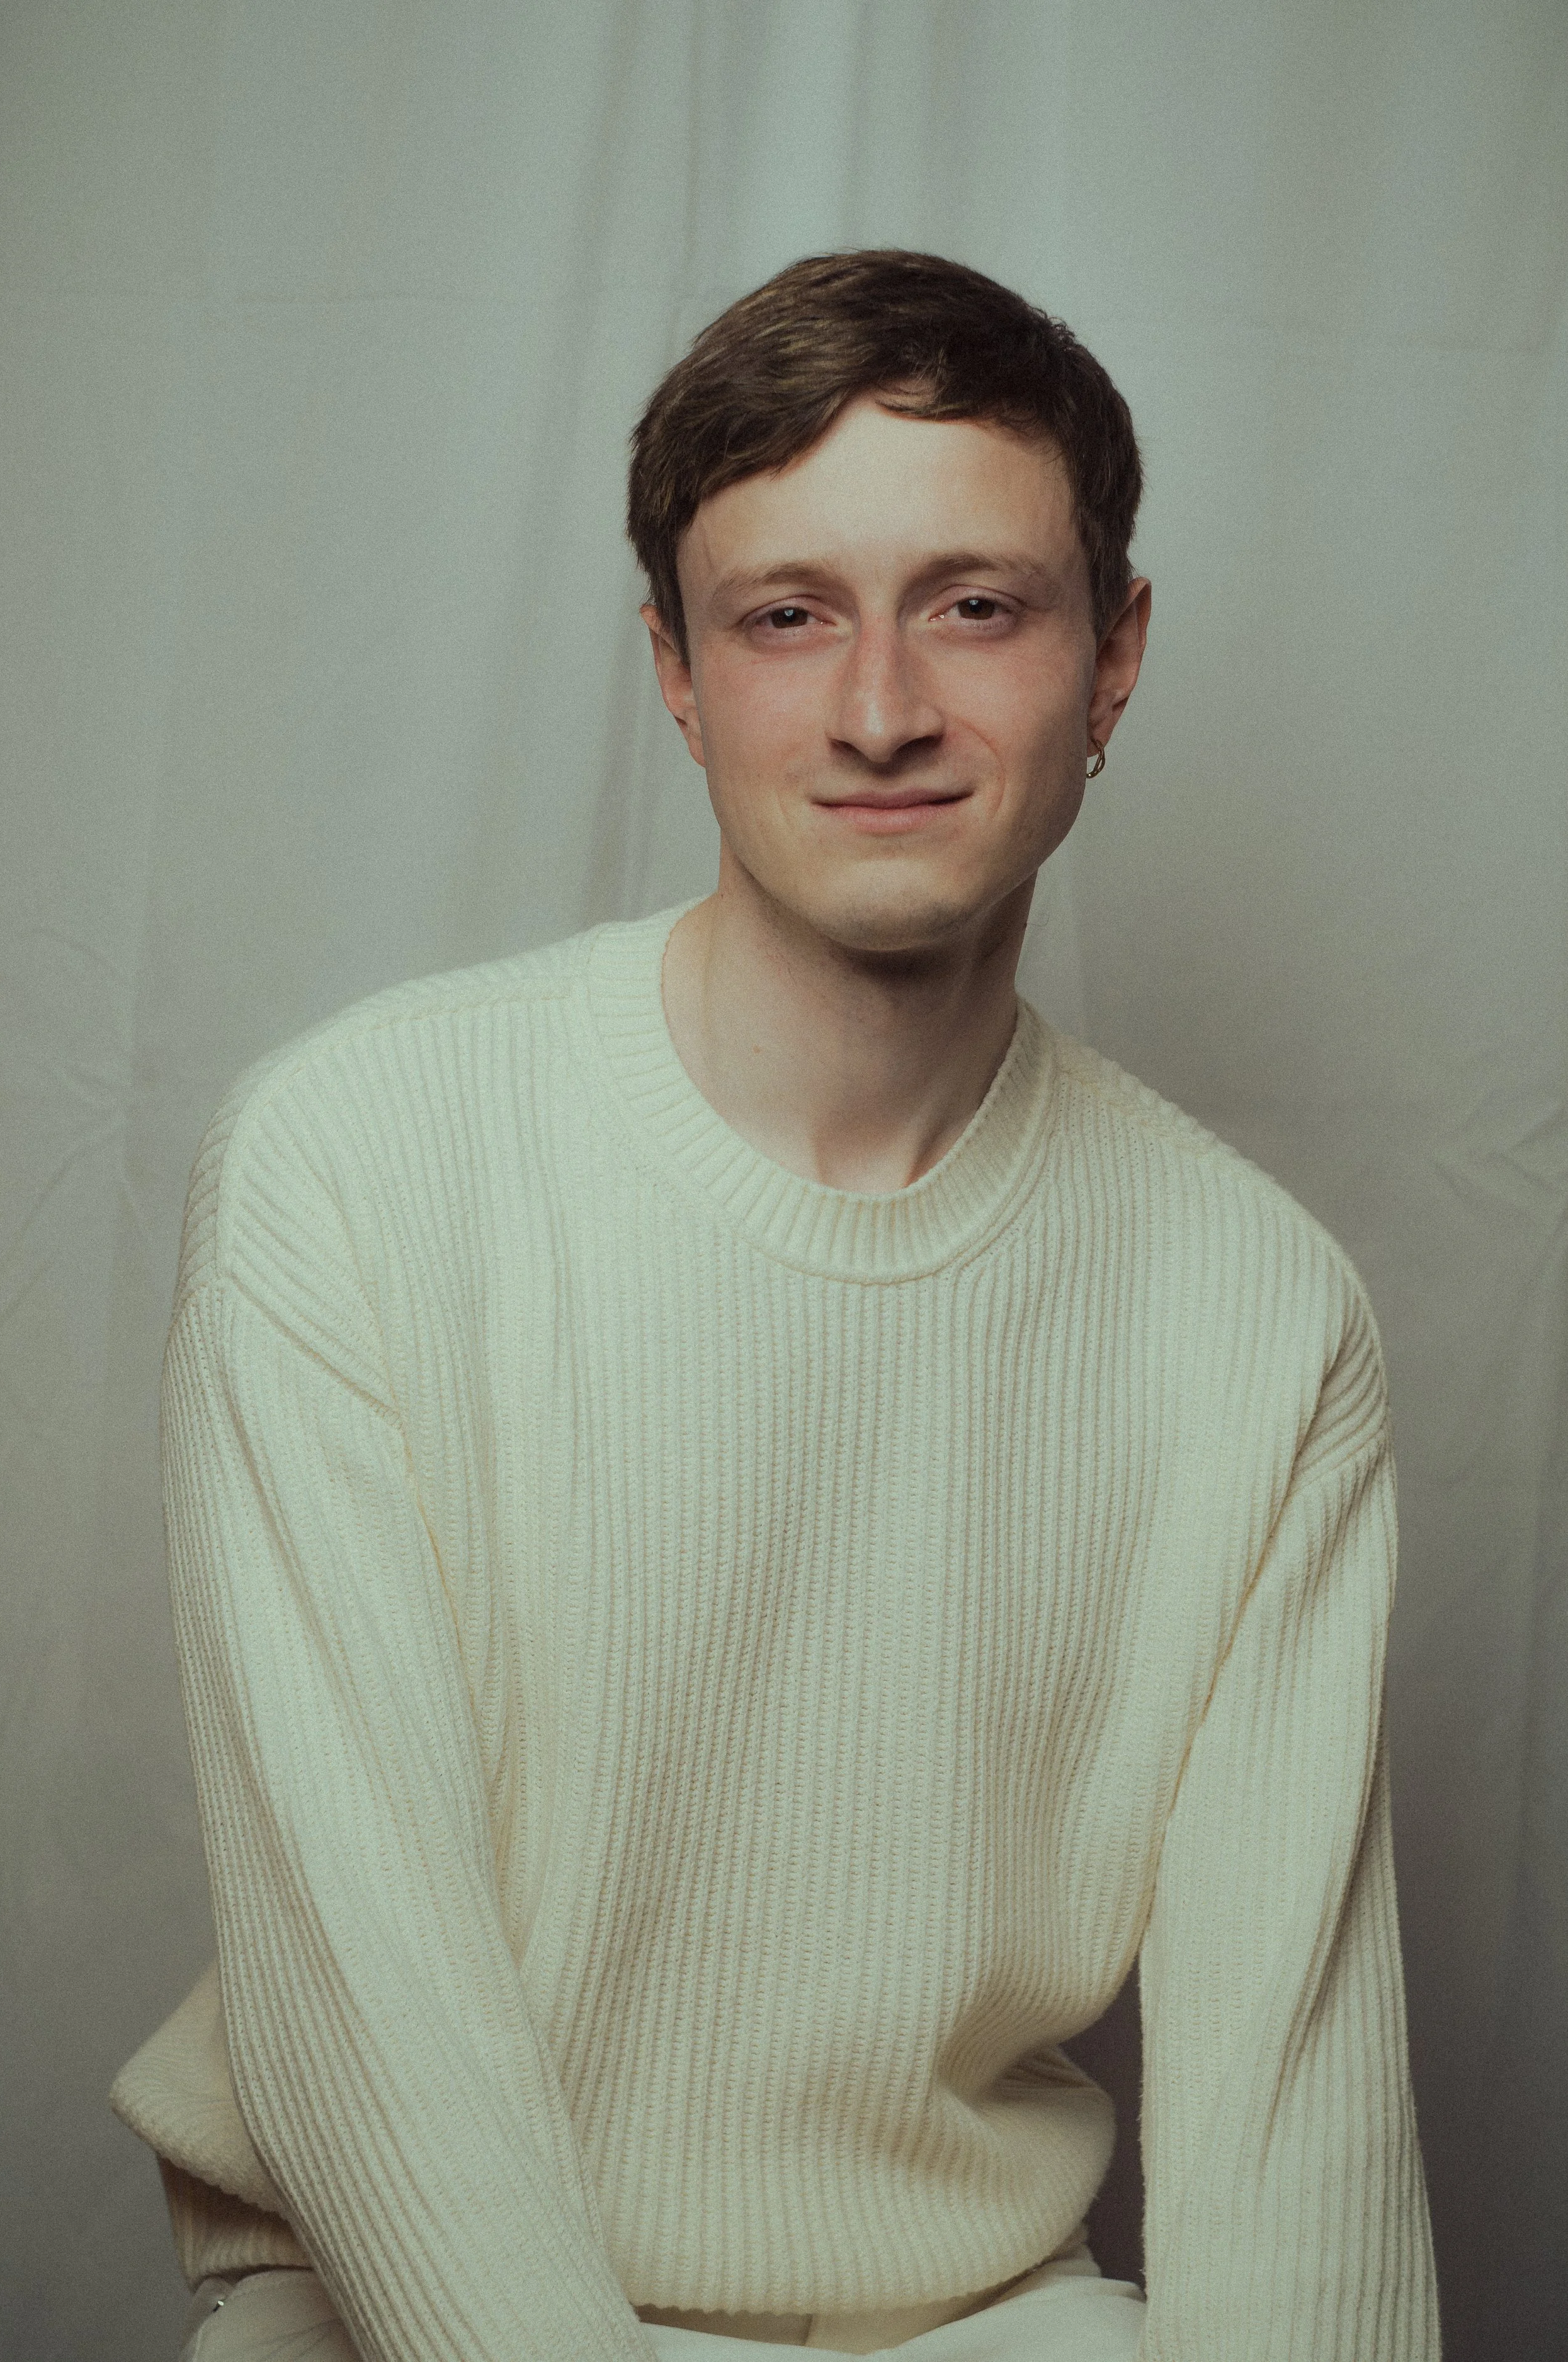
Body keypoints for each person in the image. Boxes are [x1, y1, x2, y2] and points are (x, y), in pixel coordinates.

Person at [112, 249, 1441, 2361]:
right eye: (786, 614)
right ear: (674, 668)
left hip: (979, 2317)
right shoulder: (353, 1164)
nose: (881, 707)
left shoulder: (1260, 1316)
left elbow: (1297, 2138)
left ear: (1113, 660)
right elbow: (370, 2010)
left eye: (976, 604)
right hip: (406, 2308)